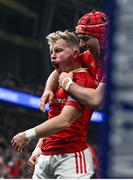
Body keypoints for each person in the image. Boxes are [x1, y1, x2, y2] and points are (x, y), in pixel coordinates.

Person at [11, 30, 96, 179]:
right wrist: (39, 148)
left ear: (75, 54)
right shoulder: (59, 78)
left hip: (71, 159)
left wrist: (27, 135)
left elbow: (64, 120)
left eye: (58, 50)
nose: (52, 55)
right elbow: (53, 118)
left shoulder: (82, 81)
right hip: (45, 157)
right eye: (51, 51)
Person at [39, 11, 109, 111]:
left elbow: (97, 100)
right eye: (80, 39)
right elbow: (61, 70)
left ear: (102, 38)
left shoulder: (117, 63)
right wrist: (48, 89)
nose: (81, 45)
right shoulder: (89, 56)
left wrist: (67, 83)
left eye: (85, 39)